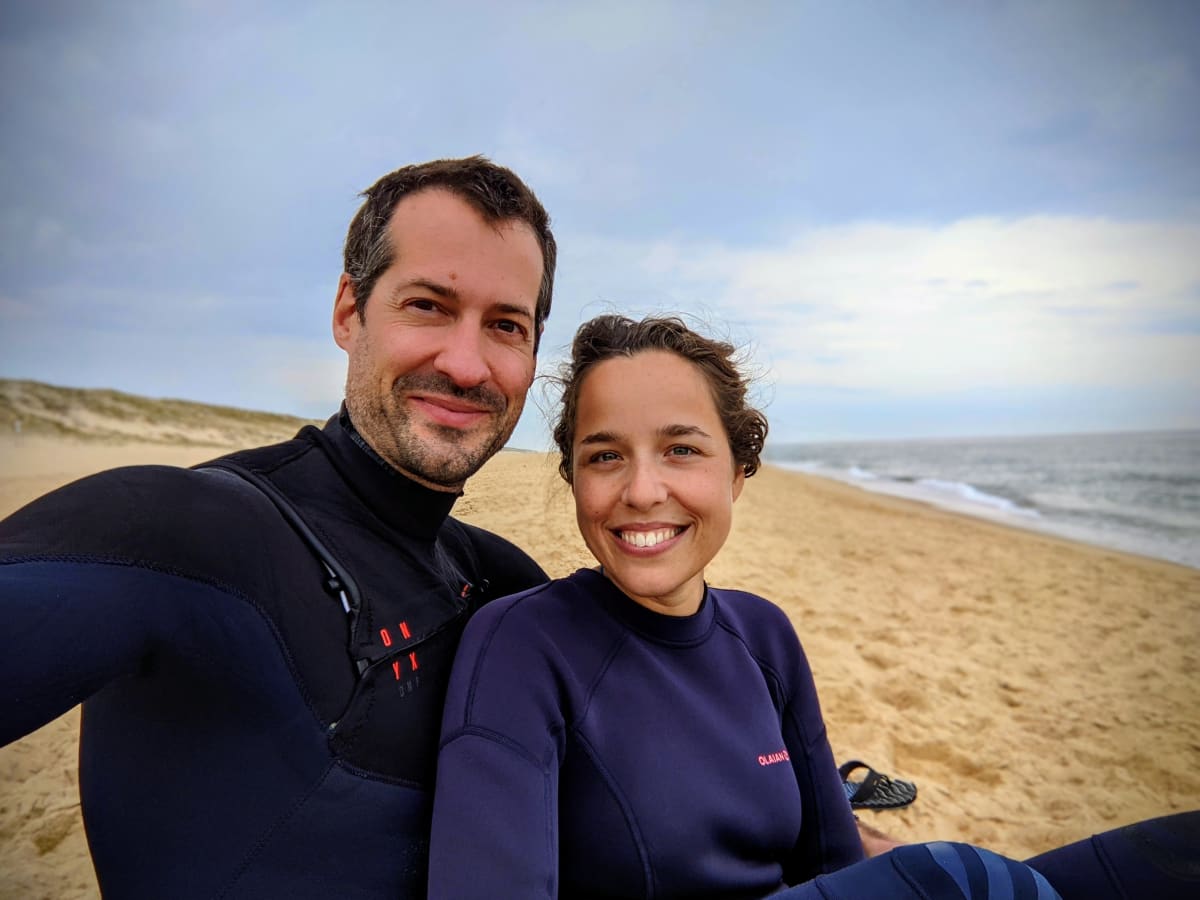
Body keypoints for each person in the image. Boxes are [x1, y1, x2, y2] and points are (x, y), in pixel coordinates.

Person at [427, 314, 1198, 899]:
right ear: (573, 479)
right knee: (948, 874)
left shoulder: (763, 634)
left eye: (682, 448)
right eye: (605, 456)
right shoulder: (522, 645)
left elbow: (829, 864)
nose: (641, 490)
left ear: (738, 472)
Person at [0, 155, 557, 898]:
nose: (465, 363)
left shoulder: (505, 585)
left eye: (505, 325)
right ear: (348, 311)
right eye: (427, 305)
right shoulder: (192, 532)